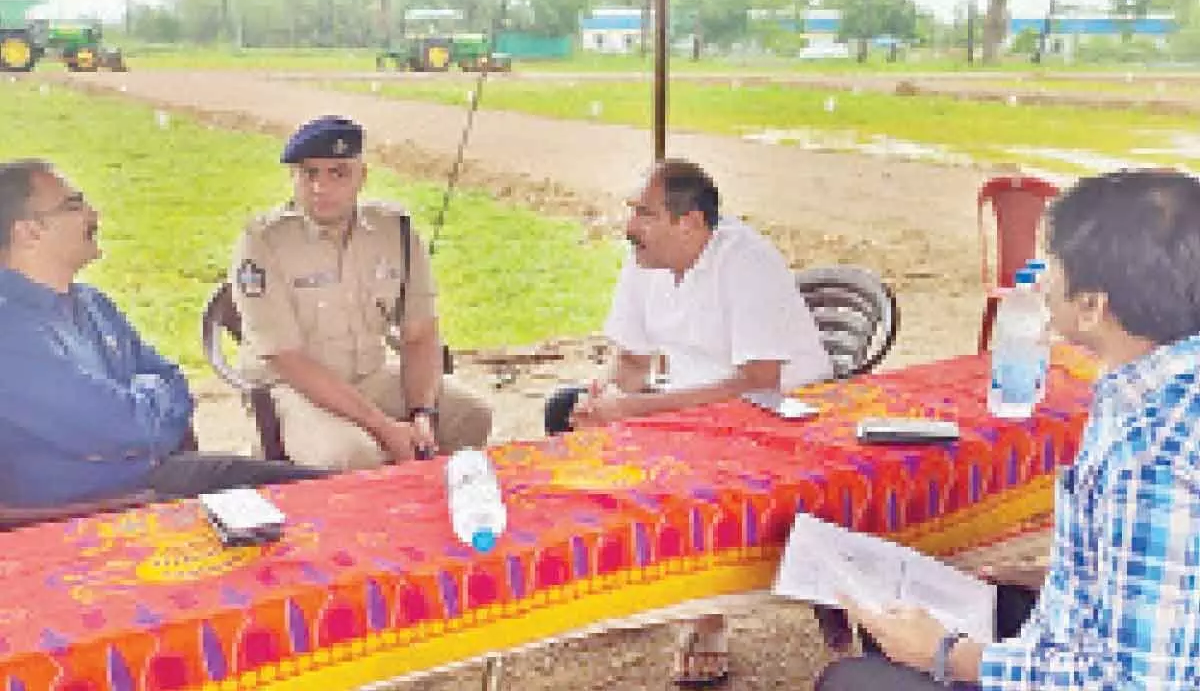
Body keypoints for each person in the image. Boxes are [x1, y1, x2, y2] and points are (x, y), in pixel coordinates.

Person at [816, 168, 1200, 690]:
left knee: (853, 682)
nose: (1040, 278)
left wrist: (949, 655)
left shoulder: (1151, 457)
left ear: (1092, 306)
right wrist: (1049, 578)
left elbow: (1132, 683)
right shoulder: (1152, 381)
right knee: (901, 617)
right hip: (1092, 638)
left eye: (1054, 264)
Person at [544, 158, 834, 687]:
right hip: (690, 404)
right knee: (565, 413)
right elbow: (631, 363)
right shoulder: (644, 260)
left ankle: (707, 617)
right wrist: (601, 395)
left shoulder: (748, 262)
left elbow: (758, 383)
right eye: (633, 211)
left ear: (691, 224)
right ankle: (626, 578)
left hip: (778, 413)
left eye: (645, 214)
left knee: (685, 461)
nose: (630, 227)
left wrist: (635, 412)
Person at [0, 159, 329, 529]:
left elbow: (173, 381)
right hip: (96, 507)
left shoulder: (91, 303)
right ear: (29, 232)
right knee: (317, 506)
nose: (94, 214)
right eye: (74, 205)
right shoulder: (10, 331)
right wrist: (146, 412)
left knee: (326, 496)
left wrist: (142, 404)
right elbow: (124, 427)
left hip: (151, 476)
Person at [230, 115, 492, 470]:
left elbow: (420, 333)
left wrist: (422, 413)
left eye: (338, 173)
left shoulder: (394, 230)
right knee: (354, 456)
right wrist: (382, 426)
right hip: (295, 390)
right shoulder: (264, 241)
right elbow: (286, 358)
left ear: (362, 177)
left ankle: (427, 512)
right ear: (294, 177)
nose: (321, 187)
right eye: (309, 173)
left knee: (471, 414)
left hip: (371, 374)